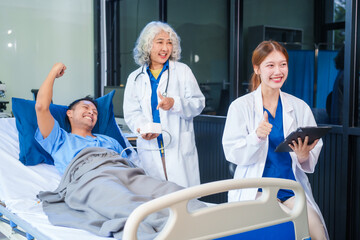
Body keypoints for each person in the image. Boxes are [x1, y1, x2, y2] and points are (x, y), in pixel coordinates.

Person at [35, 63, 205, 239]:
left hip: (126, 172)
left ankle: (207, 219)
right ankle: (168, 232)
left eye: (94, 111)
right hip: (90, 177)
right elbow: (41, 107)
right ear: (69, 113)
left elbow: (130, 164)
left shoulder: (109, 141)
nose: (91, 113)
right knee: (122, 201)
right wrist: (53, 72)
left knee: (168, 190)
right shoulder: (60, 139)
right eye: (85, 108)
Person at [222, 40, 328, 239]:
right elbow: (232, 152)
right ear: (257, 69)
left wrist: (304, 156)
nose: (278, 71)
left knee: (316, 232)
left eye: (283, 64)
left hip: (290, 188)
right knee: (283, 229)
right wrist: (256, 136)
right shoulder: (240, 107)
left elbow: (312, 150)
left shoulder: (299, 107)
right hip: (255, 190)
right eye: (270, 65)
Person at [123, 21, 205, 188]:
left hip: (179, 148)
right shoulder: (135, 77)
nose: (165, 48)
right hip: (150, 145)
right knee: (156, 198)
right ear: (147, 45)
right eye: (160, 42)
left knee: (183, 199)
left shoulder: (183, 71)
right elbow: (131, 112)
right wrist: (142, 128)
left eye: (169, 43)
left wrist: (175, 103)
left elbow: (198, 103)